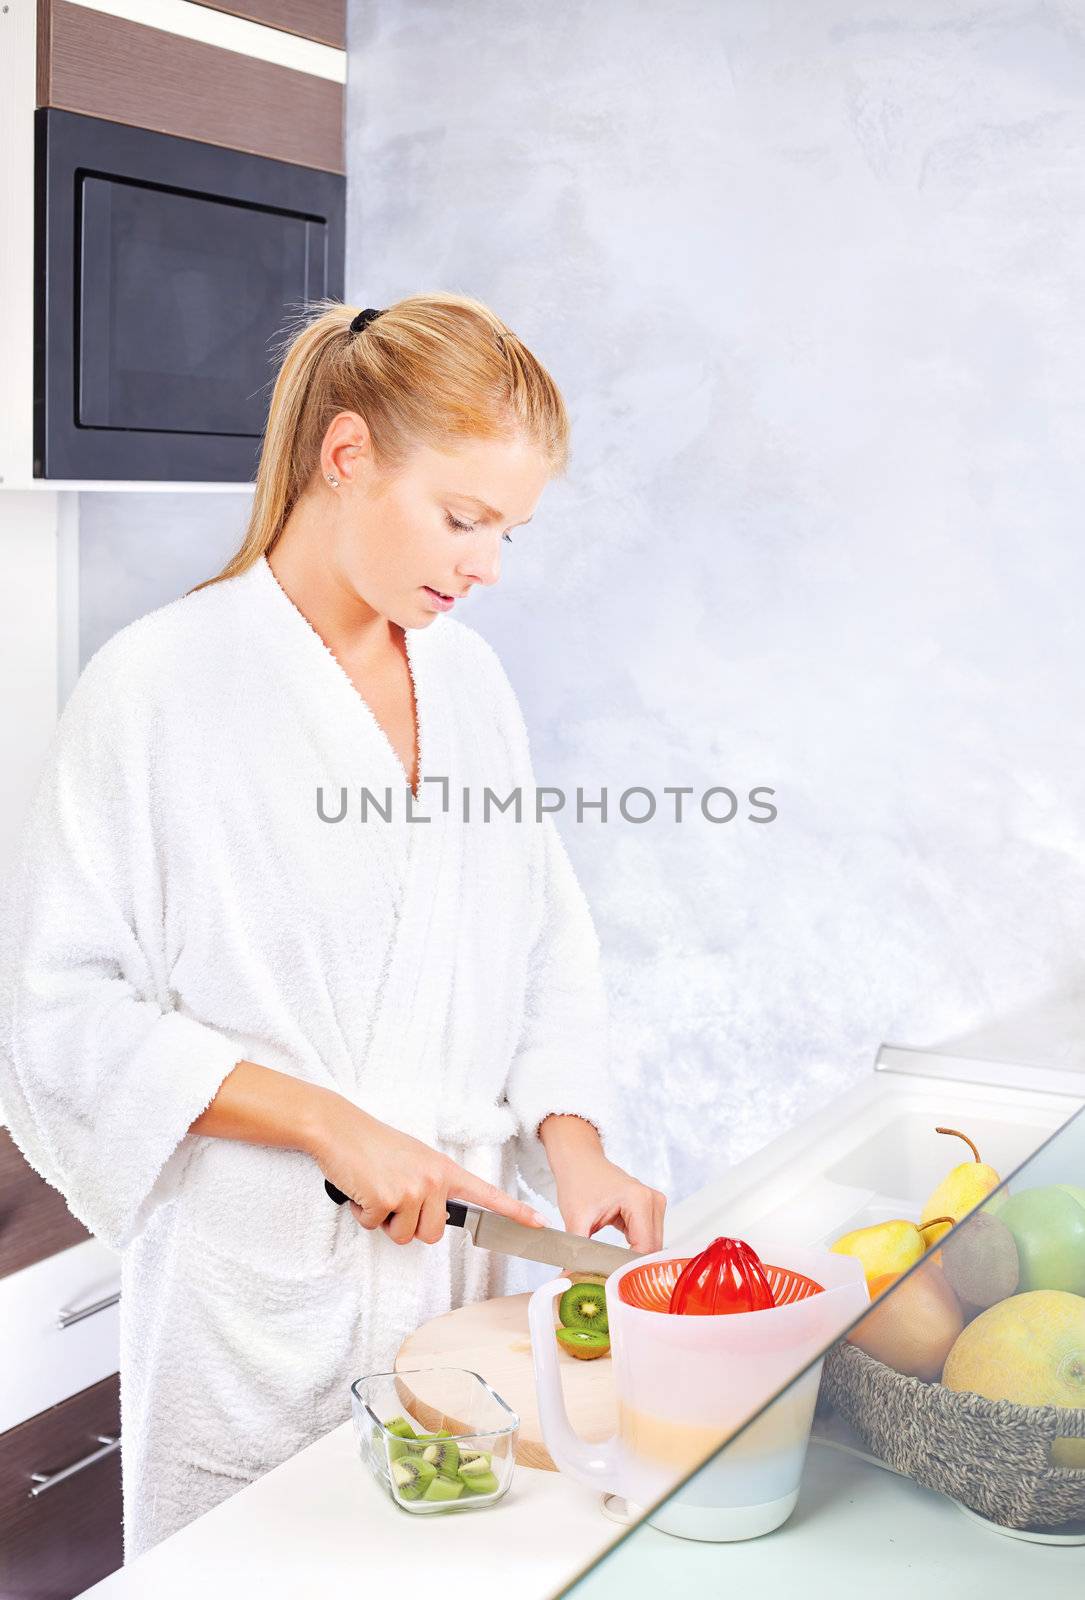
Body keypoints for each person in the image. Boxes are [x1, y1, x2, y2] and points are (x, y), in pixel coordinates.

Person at [0, 293, 666, 1561]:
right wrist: (327, 1123)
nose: (486, 567)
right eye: (463, 519)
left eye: (508, 531)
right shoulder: (159, 685)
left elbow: (539, 945)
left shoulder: (469, 683)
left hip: (447, 1298)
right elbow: (57, 1010)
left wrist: (572, 1147)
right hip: (254, 1298)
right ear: (346, 454)